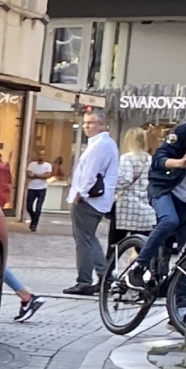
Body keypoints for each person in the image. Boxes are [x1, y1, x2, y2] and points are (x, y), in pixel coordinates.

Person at [133, 116, 186, 281]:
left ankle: (181, 300)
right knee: (169, 220)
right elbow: (158, 159)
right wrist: (179, 163)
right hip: (166, 190)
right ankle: (139, 266)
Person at [65, 100, 118, 294]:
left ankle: (88, 279)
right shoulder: (102, 143)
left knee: (85, 239)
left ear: (102, 125)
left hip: (89, 199)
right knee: (88, 238)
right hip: (94, 199)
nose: (87, 126)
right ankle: (101, 276)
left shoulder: (100, 145)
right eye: (85, 123)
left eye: (91, 123)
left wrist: (80, 193)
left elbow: (90, 172)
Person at [111, 125, 156, 244]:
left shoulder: (127, 158)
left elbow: (125, 179)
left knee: (115, 245)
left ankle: (110, 263)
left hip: (126, 207)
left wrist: (113, 191)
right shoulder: (150, 159)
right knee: (141, 245)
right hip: (144, 208)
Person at [23, 154, 53, 233]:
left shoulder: (47, 165)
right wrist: (40, 176)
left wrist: (35, 175)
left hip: (42, 188)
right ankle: (33, 219)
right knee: (29, 206)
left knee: (38, 207)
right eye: (39, 155)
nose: (41, 157)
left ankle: (34, 225)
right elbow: (29, 174)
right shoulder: (32, 164)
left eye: (43, 155)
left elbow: (47, 175)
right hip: (32, 188)